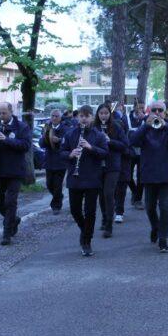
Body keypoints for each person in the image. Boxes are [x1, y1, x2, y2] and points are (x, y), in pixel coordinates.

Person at [129, 101, 168, 253]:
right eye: (154, 110)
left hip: (167, 174)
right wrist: (145, 126)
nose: (157, 112)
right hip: (149, 174)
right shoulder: (144, 129)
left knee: (165, 207)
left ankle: (163, 239)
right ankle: (155, 227)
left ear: (165, 113)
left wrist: (166, 126)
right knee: (150, 207)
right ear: (149, 111)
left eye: (160, 110)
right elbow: (133, 141)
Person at [60, 105, 109, 256]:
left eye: (87, 116)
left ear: (92, 117)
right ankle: (85, 230)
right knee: (75, 210)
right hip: (75, 178)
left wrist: (90, 147)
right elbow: (61, 152)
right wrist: (70, 154)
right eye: (81, 116)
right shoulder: (70, 134)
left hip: (92, 178)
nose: (84, 119)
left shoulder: (98, 135)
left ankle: (86, 241)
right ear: (77, 117)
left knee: (90, 211)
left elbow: (105, 153)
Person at [0, 102, 31, 246]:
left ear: (11, 112)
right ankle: (14, 219)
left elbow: (25, 145)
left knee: (10, 202)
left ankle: (7, 233)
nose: (1, 116)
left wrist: (6, 140)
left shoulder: (22, 126)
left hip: (15, 170)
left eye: (4, 113)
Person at [94, 103, 129, 238]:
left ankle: (109, 224)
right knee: (101, 195)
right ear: (97, 114)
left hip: (112, 165)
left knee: (108, 193)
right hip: (97, 165)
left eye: (106, 113)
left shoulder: (116, 127)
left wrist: (110, 141)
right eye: (101, 113)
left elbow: (125, 144)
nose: (103, 116)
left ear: (110, 114)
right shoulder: (94, 127)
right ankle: (104, 218)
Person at [40, 109, 68, 214]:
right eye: (52, 116)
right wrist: (45, 139)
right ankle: (59, 196)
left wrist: (59, 140)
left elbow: (67, 142)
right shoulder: (47, 128)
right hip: (49, 160)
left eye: (56, 116)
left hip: (60, 161)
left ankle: (56, 206)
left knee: (57, 185)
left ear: (60, 118)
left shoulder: (65, 128)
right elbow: (41, 143)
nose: (54, 118)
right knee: (49, 184)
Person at [128, 101, 146, 209]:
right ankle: (134, 192)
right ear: (134, 107)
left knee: (141, 176)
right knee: (127, 175)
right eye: (139, 107)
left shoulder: (146, 118)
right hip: (130, 150)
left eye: (143, 107)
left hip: (142, 151)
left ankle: (138, 199)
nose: (141, 109)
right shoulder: (127, 117)